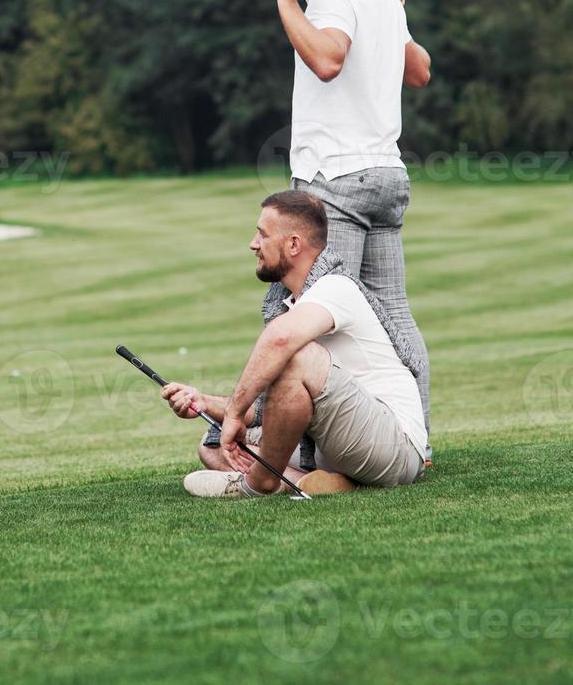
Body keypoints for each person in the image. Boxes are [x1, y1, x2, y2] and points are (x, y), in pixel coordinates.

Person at [268, 0, 432, 455]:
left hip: (334, 180)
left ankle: (294, 455)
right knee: (392, 316)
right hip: (386, 176)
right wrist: (395, 16)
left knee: (306, 316)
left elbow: (328, 60)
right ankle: (418, 437)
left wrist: (288, 1)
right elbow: (420, 71)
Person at [164, 191, 427, 497]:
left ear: (292, 244)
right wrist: (204, 402)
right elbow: (272, 408)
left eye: (262, 234)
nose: (253, 244)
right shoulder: (293, 305)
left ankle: (259, 484)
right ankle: (308, 483)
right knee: (213, 444)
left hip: (392, 448)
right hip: (336, 449)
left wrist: (234, 413)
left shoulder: (335, 287)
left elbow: (280, 341)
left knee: (296, 355)